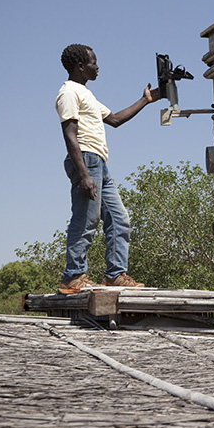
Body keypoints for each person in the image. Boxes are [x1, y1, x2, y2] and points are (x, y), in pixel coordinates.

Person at [55, 44, 161, 293]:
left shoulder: (86, 94)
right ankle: (73, 276)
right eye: (93, 62)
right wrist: (84, 175)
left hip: (99, 163)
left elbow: (114, 119)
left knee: (118, 217)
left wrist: (146, 100)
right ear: (80, 66)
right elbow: (70, 136)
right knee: (86, 219)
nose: (97, 66)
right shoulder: (68, 93)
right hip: (86, 161)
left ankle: (115, 274)